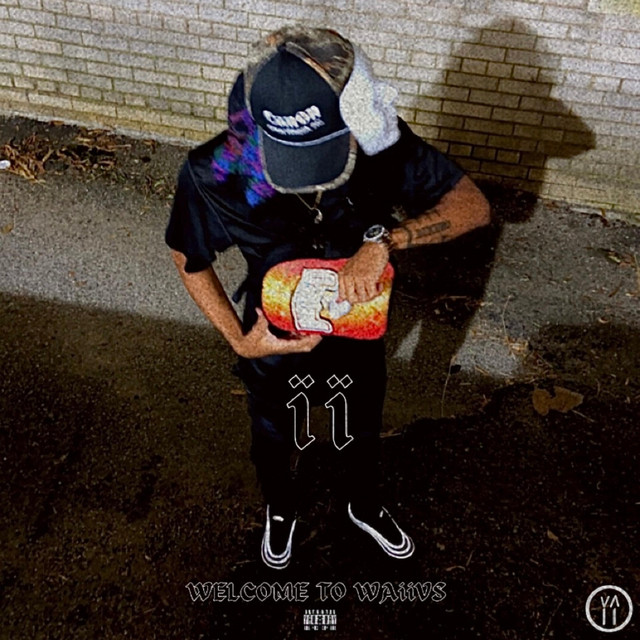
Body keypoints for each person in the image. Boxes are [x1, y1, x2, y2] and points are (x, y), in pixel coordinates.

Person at [166, 26, 490, 569]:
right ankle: (281, 509)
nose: (304, 177)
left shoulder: (377, 138)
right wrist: (240, 341)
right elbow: (187, 256)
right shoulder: (217, 170)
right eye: (289, 155)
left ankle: (363, 504)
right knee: (273, 434)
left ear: (357, 116)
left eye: (319, 153)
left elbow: (472, 206)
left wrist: (387, 241)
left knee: (360, 423)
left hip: (360, 331)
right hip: (273, 335)